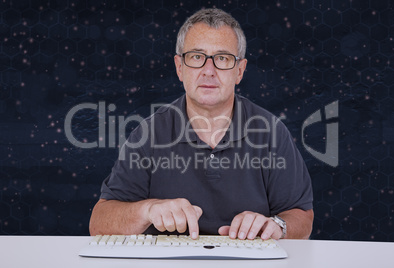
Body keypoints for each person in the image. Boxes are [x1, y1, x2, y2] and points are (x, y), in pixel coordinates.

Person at [89, 8, 313, 240]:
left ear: (240, 71)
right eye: (196, 57)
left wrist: (277, 225)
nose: (209, 71)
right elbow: (99, 222)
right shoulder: (147, 134)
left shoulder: (272, 133)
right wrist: (148, 210)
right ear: (179, 67)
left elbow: (302, 216)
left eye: (222, 58)